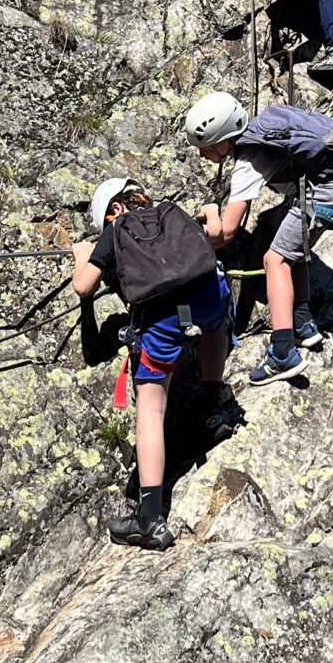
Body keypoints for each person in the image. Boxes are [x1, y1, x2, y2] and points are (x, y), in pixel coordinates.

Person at [72, 175, 234, 548]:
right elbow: (215, 235)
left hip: (163, 314)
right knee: (215, 327)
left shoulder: (116, 230)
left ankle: (149, 518)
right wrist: (211, 210)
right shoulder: (170, 214)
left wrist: (84, 256)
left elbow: (84, 285)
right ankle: (212, 407)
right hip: (211, 296)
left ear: (115, 208)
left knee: (150, 407)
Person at [184, 92, 333, 386]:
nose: (202, 155)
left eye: (205, 147)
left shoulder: (249, 159)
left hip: (326, 193)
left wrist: (209, 216)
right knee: (291, 251)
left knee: (275, 260)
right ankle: (302, 322)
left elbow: (227, 231)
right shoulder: (264, 136)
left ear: (223, 140)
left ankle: (282, 352)